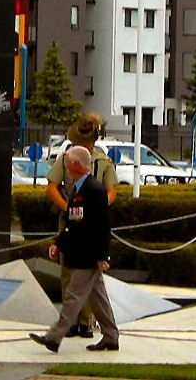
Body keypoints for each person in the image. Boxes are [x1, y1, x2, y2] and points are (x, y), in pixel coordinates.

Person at [30, 145, 119, 353]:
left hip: (89, 255)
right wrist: (58, 244)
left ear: (77, 165)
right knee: (98, 298)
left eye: (68, 162)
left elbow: (102, 226)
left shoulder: (94, 190)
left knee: (73, 296)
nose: (66, 166)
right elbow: (73, 223)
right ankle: (111, 337)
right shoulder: (79, 189)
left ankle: (53, 337)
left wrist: (101, 255)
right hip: (82, 252)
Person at [45, 114, 117, 338]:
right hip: (71, 221)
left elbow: (111, 192)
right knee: (75, 276)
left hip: (86, 225)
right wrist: (69, 208)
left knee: (81, 280)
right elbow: (52, 187)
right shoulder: (68, 158)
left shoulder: (100, 163)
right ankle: (86, 327)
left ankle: (77, 325)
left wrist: (92, 208)